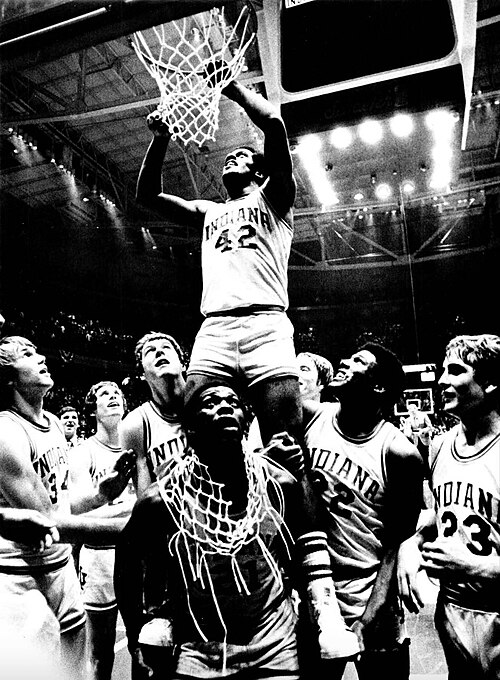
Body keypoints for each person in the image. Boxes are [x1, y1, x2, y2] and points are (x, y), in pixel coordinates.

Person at [137, 74, 353, 660]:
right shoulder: (209, 211)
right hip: (214, 328)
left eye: (243, 155)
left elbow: (277, 126)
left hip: (263, 326)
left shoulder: (274, 204)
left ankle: (321, 602)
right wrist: (159, 137)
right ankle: (163, 604)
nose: (232, 155)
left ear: (257, 174)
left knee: (287, 452)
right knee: (187, 438)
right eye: (227, 155)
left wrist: (231, 88)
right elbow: (147, 198)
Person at [115, 383, 301, 680]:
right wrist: (139, 630)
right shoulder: (162, 500)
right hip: (201, 648)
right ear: (189, 429)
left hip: (274, 641)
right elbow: (126, 566)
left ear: (245, 421)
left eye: (233, 402)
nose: (225, 407)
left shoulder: (279, 484)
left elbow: (303, 556)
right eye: (211, 403)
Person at [0, 336, 135, 680]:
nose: (41, 356)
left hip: (62, 569)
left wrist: (100, 494)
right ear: (8, 378)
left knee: (79, 672)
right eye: (27, 355)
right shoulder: (6, 432)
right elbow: (46, 520)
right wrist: (132, 528)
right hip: (20, 579)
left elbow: (59, 502)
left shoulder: (54, 424)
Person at [302, 342, 424, 679]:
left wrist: (366, 619)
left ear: (378, 386)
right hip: (319, 595)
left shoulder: (399, 452)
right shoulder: (313, 418)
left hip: (373, 599)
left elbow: (393, 547)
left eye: (357, 361)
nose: (343, 360)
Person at [398, 334, 500, 679]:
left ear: (492, 382)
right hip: (453, 609)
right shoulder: (440, 446)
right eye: (443, 370)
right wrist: (411, 545)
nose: (442, 380)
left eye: (456, 371)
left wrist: (475, 565)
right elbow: (439, 516)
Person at [72, 381, 135, 680]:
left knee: (145, 645)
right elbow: (83, 511)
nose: (113, 398)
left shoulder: (137, 446)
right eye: (104, 395)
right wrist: (132, 509)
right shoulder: (83, 452)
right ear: (93, 409)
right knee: (100, 653)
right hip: (99, 558)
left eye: (117, 394)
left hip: (137, 555)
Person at [120, 331, 187, 498]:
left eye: (166, 347)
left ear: (183, 364)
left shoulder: (207, 401)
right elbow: (146, 501)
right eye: (150, 351)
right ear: (142, 373)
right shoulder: (135, 425)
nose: (159, 352)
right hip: (172, 517)